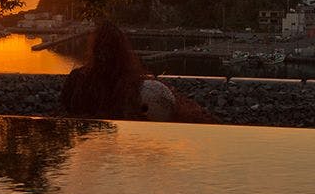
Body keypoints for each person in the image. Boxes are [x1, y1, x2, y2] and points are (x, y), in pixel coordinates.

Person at [60, 21, 214, 123]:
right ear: (121, 49)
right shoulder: (131, 83)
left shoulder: (77, 77)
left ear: (93, 48)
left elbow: (65, 108)